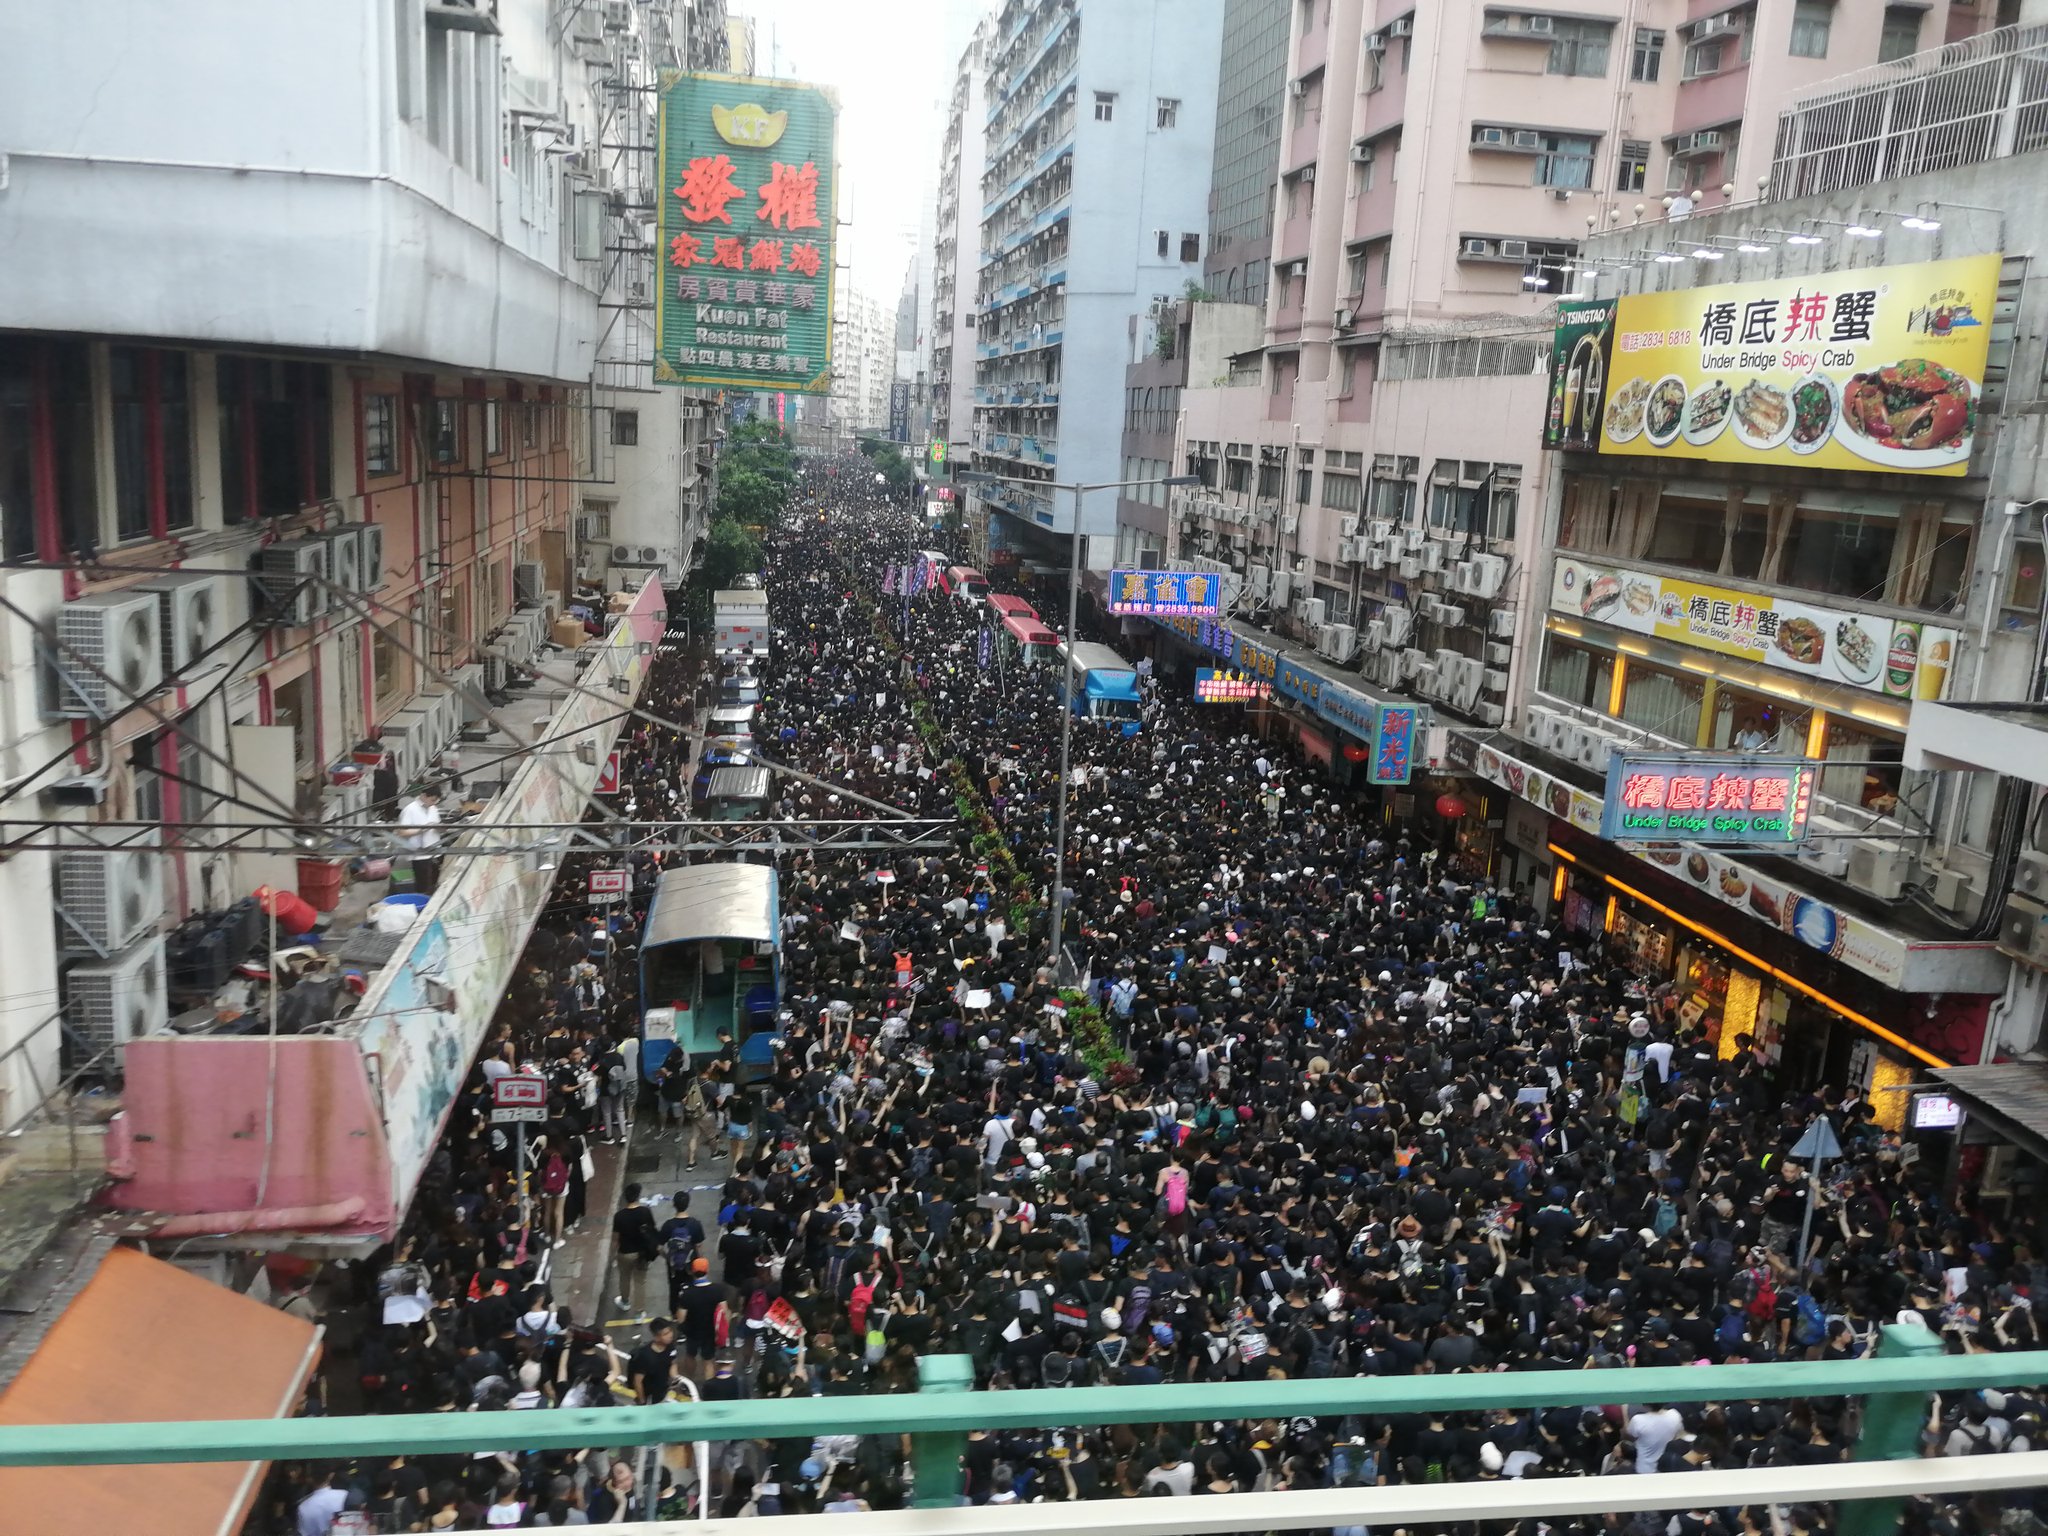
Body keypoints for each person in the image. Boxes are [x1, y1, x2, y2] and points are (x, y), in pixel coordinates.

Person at [611, 1182, 661, 1318]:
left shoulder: (619, 1216)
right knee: (640, 1281)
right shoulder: (645, 1212)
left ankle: (625, 1301)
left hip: (625, 1252)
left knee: (624, 1277)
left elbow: (616, 1238)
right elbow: (652, 1230)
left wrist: (614, 1255)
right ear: (638, 1196)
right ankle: (639, 1313)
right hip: (642, 1253)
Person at [397, 784, 444, 895]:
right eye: (432, 800)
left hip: (434, 850)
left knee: (435, 881)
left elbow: (436, 824)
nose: (433, 803)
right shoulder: (410, 810)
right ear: (423, 796)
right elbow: (402, 832)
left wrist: (441, 828)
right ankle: (422, 903)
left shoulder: (433, 808)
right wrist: (420, 830)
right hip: (419, 854)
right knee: (422, 884)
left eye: (436, 801)